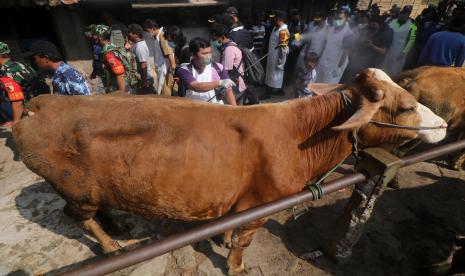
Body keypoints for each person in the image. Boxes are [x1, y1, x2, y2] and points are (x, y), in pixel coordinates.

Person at [177, 37, 237, 105]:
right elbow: (196, 86)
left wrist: (234, 108)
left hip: (216, 108)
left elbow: (228, 90)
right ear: (193, 54)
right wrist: (219, 83)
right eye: (204, 53)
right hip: (193, 108)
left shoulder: (218, 67)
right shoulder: (185, 70)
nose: (208, 56)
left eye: (210, 52)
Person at [211, 24, 259, 105]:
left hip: (235, 87)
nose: (213, 41)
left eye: (214, 38)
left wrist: (221, 91)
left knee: (233, 110)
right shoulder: (232, 44)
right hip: (238, 84)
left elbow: (226, 72)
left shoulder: (228, 50)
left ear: (222, 37)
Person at [342, 14, 393, 82]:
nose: (372, 26)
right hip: (362, 56)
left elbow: (383, 51)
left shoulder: (387, 33)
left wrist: (372, 45)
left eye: (374, 24)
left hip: (374, 61)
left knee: (362, 78)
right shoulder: (373, 27)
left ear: (380, 24)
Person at [93, 25, 138, 93]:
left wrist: (121, 95)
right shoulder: (114, 48)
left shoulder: (109, 53)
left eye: (94, 35)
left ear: (100, 37)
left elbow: (119, 74)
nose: (93, 37)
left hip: (120, 89)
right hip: (124, 87)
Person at [316, 8, 354, 84]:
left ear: (346, 19)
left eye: (340, 19)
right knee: (317, 81)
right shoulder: (332, 29)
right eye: (336, 18)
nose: (337, 21)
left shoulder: (348, 34)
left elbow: (345, 53)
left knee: (326, 86)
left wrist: (338, 67)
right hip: (324, 59)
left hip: (335, 64)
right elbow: (326, 44)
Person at [0, 42, 33, 126]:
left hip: (28, 110)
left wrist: (16, 122)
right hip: (37, 103)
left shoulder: (7, 72)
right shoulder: (20, 64)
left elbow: (17, 101)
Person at [262, 10, 290, 99]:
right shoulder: (275, 27)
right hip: (272, 56)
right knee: (272, 75)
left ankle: (268, 94)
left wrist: (281, 62)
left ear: (278, 19)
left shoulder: (283, 31)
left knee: (274, 75)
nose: (272, 20)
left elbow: (283, 49)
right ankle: (278, 90)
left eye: (274, 18)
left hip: (276, 58)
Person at [382, 6, 417, 76]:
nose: (404, 15)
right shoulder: (392, 21)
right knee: (384, 67)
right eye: (403, 13)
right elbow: (385, 31)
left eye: (406, 14)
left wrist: (404, 52)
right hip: (388, 48)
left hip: (400, 50)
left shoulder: (413, 25)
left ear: (408, 15)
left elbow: (412, 40)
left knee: (395, 70)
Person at [127, 23, 156, 94]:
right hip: (141, 79)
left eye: (129, 32)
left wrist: (144, 82)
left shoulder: (140, 47)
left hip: (144, 79)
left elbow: (143, 65)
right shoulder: (137, 45)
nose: (128, 34)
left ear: (136, 34)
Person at [144, 19, 166, 94]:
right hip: (160, 67)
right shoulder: (157, 37)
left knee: (164, 91)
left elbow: (169, 53)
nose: (147, 34)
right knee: (161, 90)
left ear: (153, 29)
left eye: (148, 31)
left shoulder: (162, 36)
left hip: (164, 68)